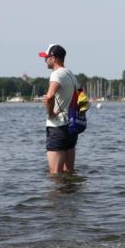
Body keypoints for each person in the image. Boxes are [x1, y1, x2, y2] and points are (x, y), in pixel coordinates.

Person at [40, 43, 80, 174]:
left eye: (46, 57)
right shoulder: (70, 74)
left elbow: (50, 96)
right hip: (71, 126)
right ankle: (71, 194)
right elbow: (81, 95)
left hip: (57, 127)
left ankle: (58, 195)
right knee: (69, 172)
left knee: (55, 174)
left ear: (54, 58)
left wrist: (50, 113)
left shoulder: (56, 75)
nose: (45, 60)